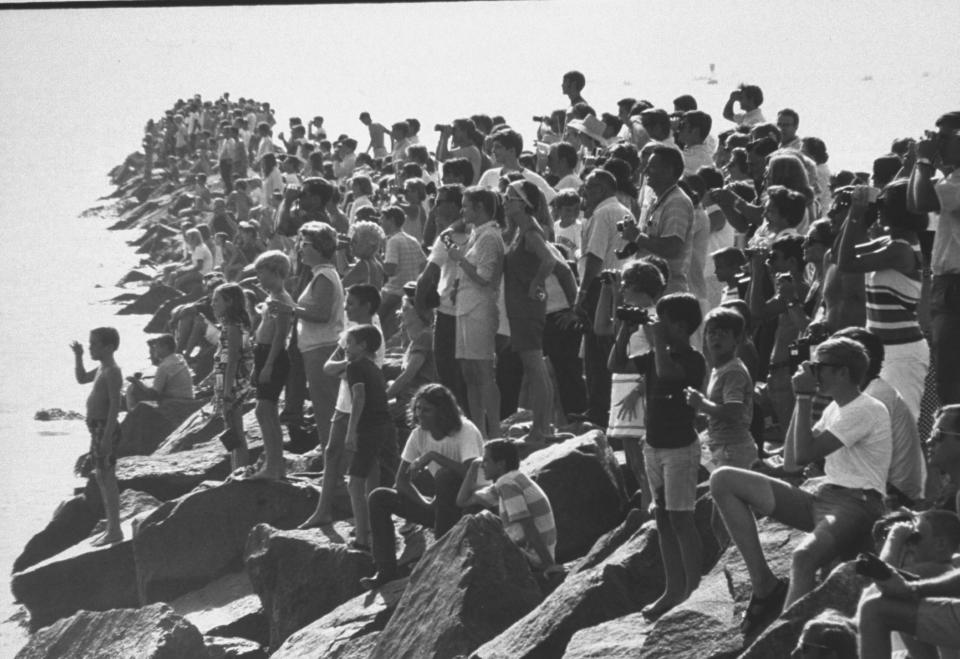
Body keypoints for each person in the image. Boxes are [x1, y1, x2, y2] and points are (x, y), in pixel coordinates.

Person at [710, 337, 891, 636]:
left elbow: (806, 454)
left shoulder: (867, 409)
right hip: (824, 496)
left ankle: (783, 641)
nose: (812, 373)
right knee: (724, 480)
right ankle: (764, 585)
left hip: (858, 503)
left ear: (843, 372)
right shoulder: (836, 407)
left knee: (804, 556)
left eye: (819, 367)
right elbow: (794, 461)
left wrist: (805, 397)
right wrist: (800, 399)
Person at [361, 384, 484, 589]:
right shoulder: (419, 434)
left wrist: (434, 456)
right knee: (379, 497)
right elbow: (401, 481)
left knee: (445, 476)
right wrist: (425, 504)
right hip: (442, 506)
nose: (420, 415)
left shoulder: (465, 430)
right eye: (417, 409)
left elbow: (469, 473)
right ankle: (385, 570)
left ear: (442, 411)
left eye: (426, 410)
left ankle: (439, 556)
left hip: (470, 504)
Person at [635, 293, 707, 620]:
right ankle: (672, 589)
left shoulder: (692, 359)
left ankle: (693, 589)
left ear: (679, 326)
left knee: (681, 518)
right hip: (655, 444)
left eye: (662, 321)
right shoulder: (656, 354)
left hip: (680, 447)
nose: (656, 325)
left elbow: (667, 374)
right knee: (662, 519)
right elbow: (615, 364)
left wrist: (660, 343)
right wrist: (627, 329)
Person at [837, 180, 929, 420]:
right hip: (879, 349)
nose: (878, 209)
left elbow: (847, 263)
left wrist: (857, 214)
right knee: (876, 423)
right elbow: (841, 253)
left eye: (883, 204)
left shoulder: (900, 249)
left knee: (902, 422)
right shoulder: (888, 243)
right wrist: (853, 214)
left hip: (902, 353)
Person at [300, 284, 385, 529]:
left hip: (363, 408)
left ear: (366, 306)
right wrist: (348, 364)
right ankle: (322, 510)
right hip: (342, 404)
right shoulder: (351, 333)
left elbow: (366, 372)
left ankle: (373, 517)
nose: (346, 308)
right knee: (331, 452)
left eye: (351, 304)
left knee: (368, 464)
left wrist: (346, 366)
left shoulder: (372, 334)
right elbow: (329, 366)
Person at [833, 327, 926, 506]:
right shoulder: (861, 391)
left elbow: (806, 457)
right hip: (879, 488)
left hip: (893, 498)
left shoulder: (875, 397)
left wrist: (802, 396)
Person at [601, 259, 667, 512]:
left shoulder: (652, 318)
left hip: (637, 391)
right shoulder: (630, 317)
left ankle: (652, 510)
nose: (623, 289)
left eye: (626, 285)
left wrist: (639, 390)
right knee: (635, 463)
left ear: (639, 288)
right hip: (622, 387)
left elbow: (656, 360)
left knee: (644, 460)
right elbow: (609, 335)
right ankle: (645, 509)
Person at [908, 111, 960, 405]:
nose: (937, 144)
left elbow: (920, 202)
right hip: (948, 283)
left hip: (955, 285)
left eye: (944, 138)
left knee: (950, 377)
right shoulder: (951, 178)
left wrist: (924, 160)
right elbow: (915, 201)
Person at [447, 186, 504, 438]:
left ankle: (495, 431)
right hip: (464, 308)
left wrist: (460, 259)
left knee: (483, 371)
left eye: (467, 205)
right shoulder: (475, 234)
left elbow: (485, 277)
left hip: (480, 310)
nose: (462, 210)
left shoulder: (490, 236)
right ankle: (479, 431)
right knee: (468, 372)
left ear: (480, 207)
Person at [577, 169, 633, 424]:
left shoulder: (603, 212)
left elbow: (595, 258)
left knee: (596, 354)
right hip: (621, 287)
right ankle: (604, 411)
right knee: (611, 351)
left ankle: (598, 413)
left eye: (588, 187)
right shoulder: (624, 210)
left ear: (600, 188)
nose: (583, 192)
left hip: (601, 287)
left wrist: (583, 293)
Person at [502, 180, 557, 442]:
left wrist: (535, 283)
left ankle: (541, 427)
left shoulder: (531, 233)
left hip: (527, 307)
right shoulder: (519, 231)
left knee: (535, 367)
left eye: (510, 198)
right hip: (521, 307)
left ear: (523, 204)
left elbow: (549, 260)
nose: (504, 201)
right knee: (534, 366)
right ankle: (543, 424)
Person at [283, 222, 344, 453]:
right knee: (323, 408)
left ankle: (336, 462)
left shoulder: (325, 275)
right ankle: (332, 460)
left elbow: (321, 314)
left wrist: (289, 309)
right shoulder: (320, 274)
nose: (300, 249)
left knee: (326, 408)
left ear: (320, 247)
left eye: (305, 244)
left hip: (322, 349)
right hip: (317, 349)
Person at [457, 438, 561, 573]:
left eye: (486, 461)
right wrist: (473, 466)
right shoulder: (511, 479)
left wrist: (549, 565)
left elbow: (528, 526)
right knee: (472, 511)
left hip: (534, 558)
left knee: (475, 538)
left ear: (500, 464)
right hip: (533, 552)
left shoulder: (507, 484)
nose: (482, 465)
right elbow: (462, 501)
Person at [342, 325, 396, 552]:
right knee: (383, 472)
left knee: (355, 482)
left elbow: (359, 396)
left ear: (363, 345)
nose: (346, 347)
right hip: (385, 426)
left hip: (369, 428)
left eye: (350, 343)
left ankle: (362, 538)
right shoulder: (374, 367)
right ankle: (377, 528)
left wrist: (351, 430)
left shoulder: (354, 366)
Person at [686, 307, 757, 470]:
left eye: (723, 333)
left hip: (733, 448)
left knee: (732, 492)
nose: (716, 338)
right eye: (712, 333)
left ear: (737, 339)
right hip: (719, 444)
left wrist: (701, 404)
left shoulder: (733, 371)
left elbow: (733, 411)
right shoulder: (719, 369)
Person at [71, 328, 124, 546]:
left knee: (106, 477)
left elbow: (115, 407)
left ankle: (115, 529)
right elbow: (82, 378)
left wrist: (106, 438)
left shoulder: (112, 371)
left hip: (105, 428)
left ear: (109, 347)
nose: (91, 347)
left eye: (94, 344)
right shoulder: (102, 367)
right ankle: (112, 525)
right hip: (97, 429)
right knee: (102, 477)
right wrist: (79, 356)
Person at [248, 251, 294, 480]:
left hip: (273, 355)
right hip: (263, 353)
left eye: (262, 272)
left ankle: (274, 466)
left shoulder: (282, 300)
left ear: (276, 272)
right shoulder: (271, 298)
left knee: (265, 409)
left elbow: (280, 335)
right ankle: (275, 464)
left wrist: (267, 365)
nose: (259, 278)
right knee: (265, 410)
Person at [211, 282, 255, 472]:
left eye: (216, 300)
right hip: (228, 381)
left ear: (229, 302)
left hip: (234, 383)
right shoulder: (230, 325)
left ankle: (240, 469)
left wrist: (227, 391)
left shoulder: (233, 327)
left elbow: (234, 358)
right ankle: (236, 468)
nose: (213, 304)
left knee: (235, 430)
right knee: (230, 428)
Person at [379, 205, 427, 342]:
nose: (380, 222)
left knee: (374, 326)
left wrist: (377, 259)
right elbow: (424, 264)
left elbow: (390, 269)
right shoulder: (412, 239)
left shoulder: (393, 241)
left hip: (392, 294)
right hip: (409, 294)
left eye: (383, 218)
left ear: (391, 220)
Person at [125, 334, 194, 410]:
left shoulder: (164, 366)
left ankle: (132, 415)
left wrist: (136, 382)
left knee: (132, 388)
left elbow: (153, 394)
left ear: (165, 347)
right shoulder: (180, 358)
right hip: (189, 398)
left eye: (157, 347)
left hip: (176, 402)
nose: (156, 350)